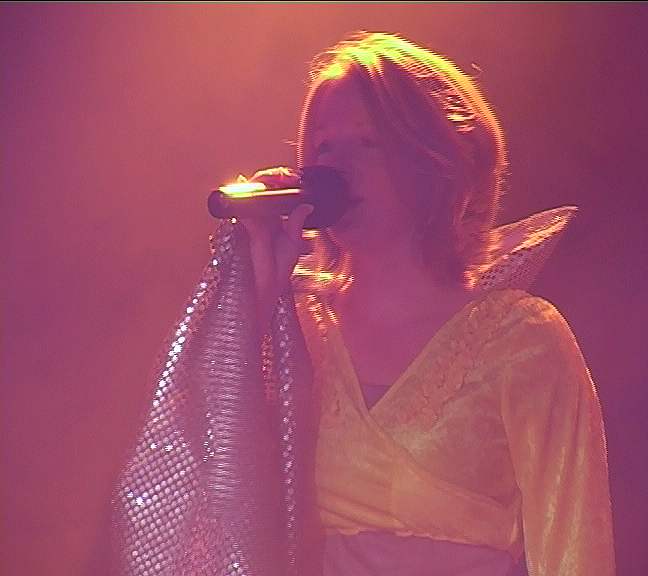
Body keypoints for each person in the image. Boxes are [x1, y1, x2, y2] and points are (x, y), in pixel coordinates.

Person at [239, 31, 616, 576]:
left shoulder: (521, 341)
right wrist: (252, 294)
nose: (335, 167)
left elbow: (575, 553)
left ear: (435, 162)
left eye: (367, 142)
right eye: (323, 148)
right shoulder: (296, 329)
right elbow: (204, 488)